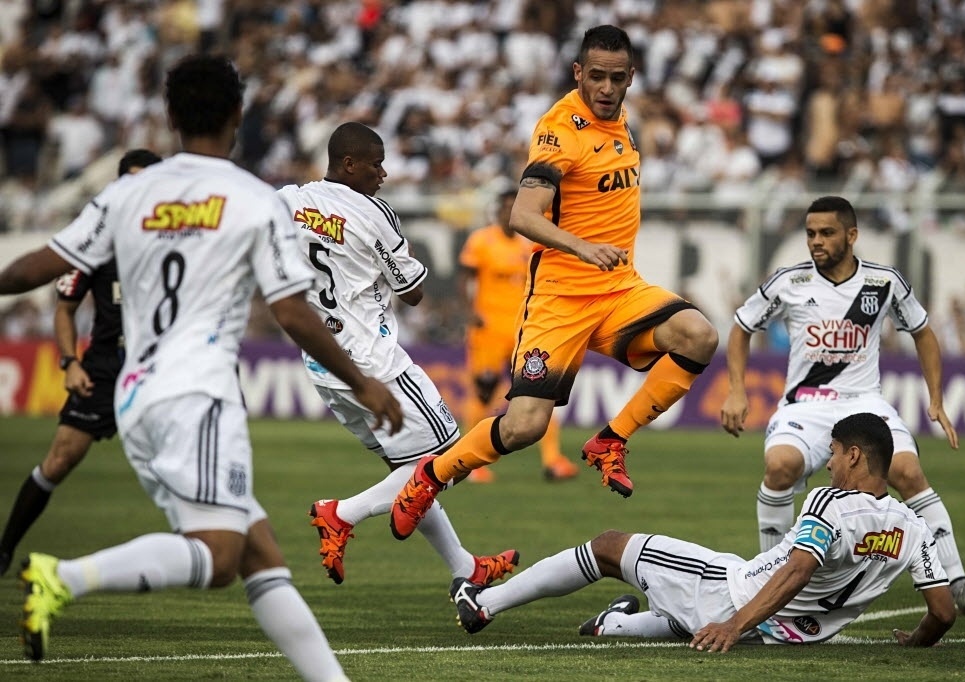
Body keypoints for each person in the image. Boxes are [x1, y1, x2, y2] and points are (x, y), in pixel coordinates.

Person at [0, 54, 402, 681]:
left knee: (261, 557)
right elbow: (294, 315)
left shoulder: (129, 191)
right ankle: (64, 577)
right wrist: (364, 382)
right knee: (218, 556)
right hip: (198, 393)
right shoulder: (251, 198)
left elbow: (35, 268)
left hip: (134, 394)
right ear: (238, 115)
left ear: (170, 116)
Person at [389, 24, 719, 540]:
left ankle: (610, 440)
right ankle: (431, 475)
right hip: (561, 298)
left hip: (618, 290)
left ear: (631, 77)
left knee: (698, 335)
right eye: (595, 78)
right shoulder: (558, 131)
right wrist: (583, 246)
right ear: (577, 74)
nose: (605, 89)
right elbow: (523, 214)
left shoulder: (624, 120)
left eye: (616, 78)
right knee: (524, 425)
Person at [447, 413, 957, 649]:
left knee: (607, 547)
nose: (826, 466)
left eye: (833, 454)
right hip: (789, 634)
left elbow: (799, 569)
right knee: (676, 618)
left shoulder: (831, 502)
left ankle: (483, 604)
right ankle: (612, 627)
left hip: (732, 596)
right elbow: (942, 612)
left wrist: (734, 625)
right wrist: (914, 643)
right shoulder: (912, 526)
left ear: (853, 454)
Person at [720, 195, 965, 616]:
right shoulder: (788, 282)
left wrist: (936, 398)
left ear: (851, 235)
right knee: (779, 466)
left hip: (864, 402)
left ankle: (957, 582)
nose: (816, 242)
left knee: (907, 470)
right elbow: (741, 327)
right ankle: (771, 588)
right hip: (805, 406)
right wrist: (736, 390)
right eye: (810, 233)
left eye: (827, 233)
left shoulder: (883, 282)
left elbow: (922, 332)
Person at [278, 122, 518, 588]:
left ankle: (465, 569)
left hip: (324, 364)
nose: (384, 173)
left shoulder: (289, 199)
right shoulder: (373, 212)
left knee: (410, 474)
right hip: (375, 363)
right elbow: (412, 292)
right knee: (449, 457)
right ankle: (340, 513)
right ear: (349, 164)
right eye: (375, 163)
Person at [0, 149, 162, 578]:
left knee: (179, 472)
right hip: (106, 367)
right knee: (59, 460)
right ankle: (5, 548)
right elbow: (64, 307)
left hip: (161, 369)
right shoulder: (98, 237)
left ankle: (214, 551)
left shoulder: (177, 237)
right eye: (130, 180)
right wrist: (71, 362)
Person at [456, 186, 579, 484]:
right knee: (483, 391)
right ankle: (468, 462)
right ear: (496, 211)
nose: (508, 213)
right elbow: (464, 279)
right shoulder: (481, 241)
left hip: (524, 330)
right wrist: (468, 311)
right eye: (504, 207)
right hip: (488, 330)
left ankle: (552, 460)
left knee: (540, 392)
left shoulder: (528, 245)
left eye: (514, 208)